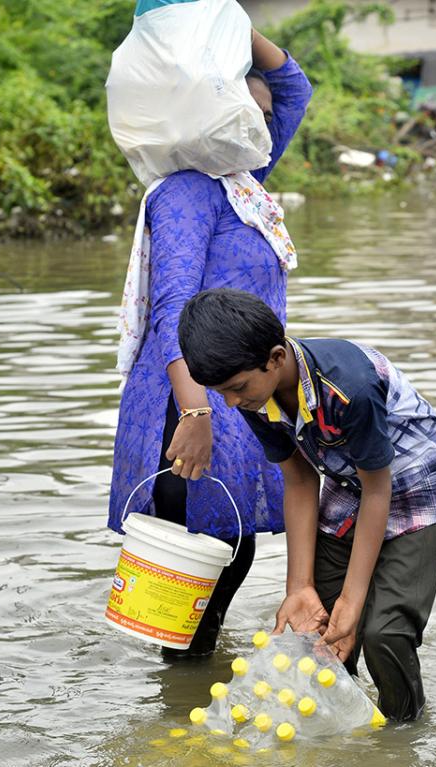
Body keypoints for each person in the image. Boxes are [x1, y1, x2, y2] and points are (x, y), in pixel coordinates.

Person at [108, 30, 313, 658]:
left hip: (239, 392)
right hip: (192, 393)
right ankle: (179, 703)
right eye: (250, 115)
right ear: (216, 117)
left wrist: (226, 17)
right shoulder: (189, 192)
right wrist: (195, 412)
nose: (267, 124)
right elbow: (172, 306)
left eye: (265, 119)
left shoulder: (242, 185)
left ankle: (183, 695)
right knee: (202, 550)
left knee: (229, 543)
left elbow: (293, 87)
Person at [178, 289, 436, 721]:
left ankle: (403, 733)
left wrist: (354, 597)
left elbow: (378, 491)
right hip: (347, 477)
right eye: (221, 393)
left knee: (385, 634)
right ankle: (339, 725)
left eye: (235, 389)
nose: (231, 403)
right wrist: (299, 587)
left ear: (274, 358)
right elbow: (300, 477)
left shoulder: (350, 389)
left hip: (416, 480)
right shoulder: (255, 393)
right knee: (319, 628)